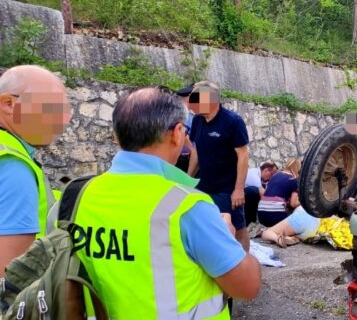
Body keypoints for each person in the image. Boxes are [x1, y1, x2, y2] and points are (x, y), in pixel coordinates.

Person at [71, 87, 260, 318]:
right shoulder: (188, 208)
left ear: (116, 137)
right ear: (178, 133)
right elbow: (248, 287)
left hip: (224, 187)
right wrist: (225, 239)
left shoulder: (75, 197)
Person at [0, 65, 71, 276]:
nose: (64, 119)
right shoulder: (13, 166)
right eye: (52, 107)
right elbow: (10, 280)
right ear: (9, 104)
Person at [188, 81, 251, 251]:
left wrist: (238, 189)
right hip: (204, 185)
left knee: (237, 229)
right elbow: (196, 150)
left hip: (227, 188)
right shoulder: (197, 121)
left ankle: (244, 265)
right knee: (203, 226)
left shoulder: (232, 121)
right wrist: (188, 178)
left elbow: (243, 155)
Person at [257, 158, 301, 227]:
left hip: (261, 213)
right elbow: (293, 204)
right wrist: (302, 202)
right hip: (276, 215)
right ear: (298, 168)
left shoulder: (274, 176)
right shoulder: (293, 180)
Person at [174, 83, 195, 173]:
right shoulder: (183, 113)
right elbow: (183, 132)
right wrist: (192, 150)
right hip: (183, 158)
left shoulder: (189, 113)